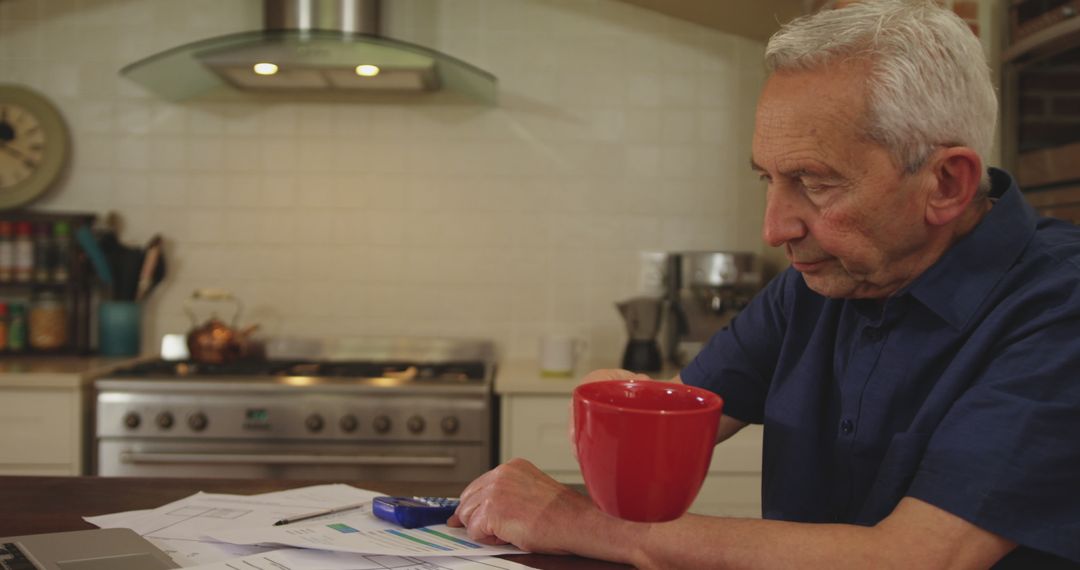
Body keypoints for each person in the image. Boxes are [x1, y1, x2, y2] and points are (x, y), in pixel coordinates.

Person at [448, 0, 1080, 568]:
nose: (775, 228)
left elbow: (918, 558)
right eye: (768, 179)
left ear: (946, 183)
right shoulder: (821, 280)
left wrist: (575, 521)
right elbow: (673, 422)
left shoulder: (1059, 304)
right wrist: (612, 403)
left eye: (815, 182)